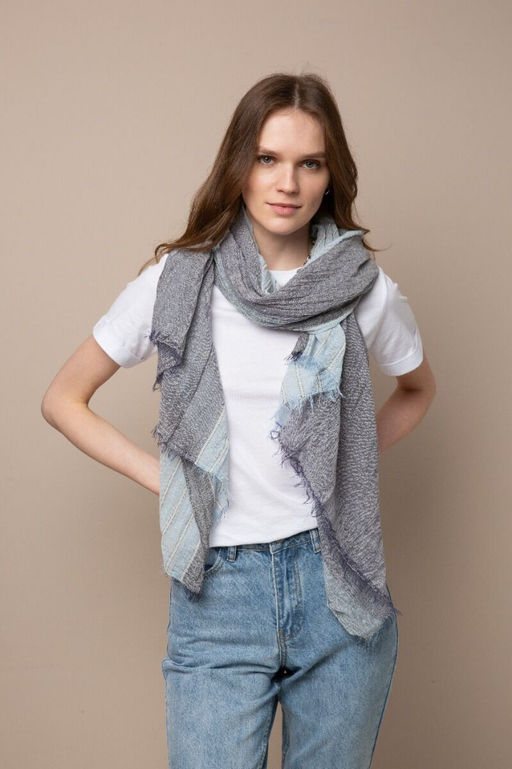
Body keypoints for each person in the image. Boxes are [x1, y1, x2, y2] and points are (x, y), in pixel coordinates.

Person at [41, 72, 436, 769]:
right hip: (219, 591)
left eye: (309, 163)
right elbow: (63, 398)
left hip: (336, 588)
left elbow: (418, 390)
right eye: (267, 158)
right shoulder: (179, 280)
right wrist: (170, 479)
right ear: (239, 166)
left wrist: (349, 457)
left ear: (330, 177)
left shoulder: (363, 289)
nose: (287, 182)